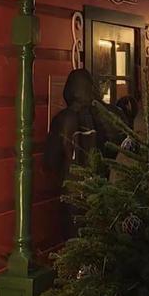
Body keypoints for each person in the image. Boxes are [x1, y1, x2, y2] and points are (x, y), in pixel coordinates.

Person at [42, 69, 108, 238]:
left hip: (70, 190)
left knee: (72, 239)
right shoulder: (97, 118)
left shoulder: (62, 119)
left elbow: (50, 160)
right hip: (96, 188)